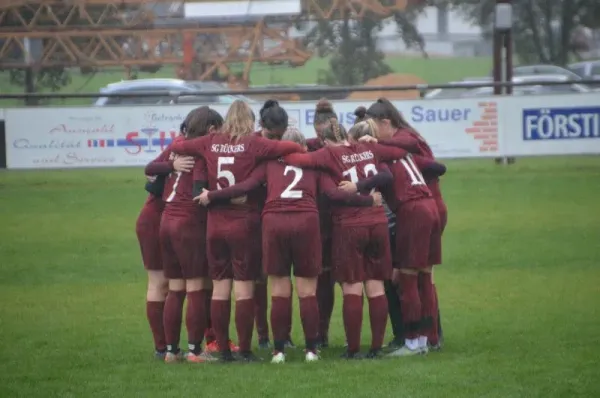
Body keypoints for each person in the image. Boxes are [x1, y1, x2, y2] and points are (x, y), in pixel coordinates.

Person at [197, 126, 382, 363]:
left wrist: (213, 195)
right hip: (306, 222)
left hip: (274, 223)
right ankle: (311, 350)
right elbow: (333, 193)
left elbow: (246, 186)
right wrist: (367, 200)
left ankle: (279, 351)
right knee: (308, 291)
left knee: (279, 291)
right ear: (303, 146)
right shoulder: (314, 164)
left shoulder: (268, 164)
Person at [170, 100, 304, 362]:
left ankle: (221, 349)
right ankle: (244, 349)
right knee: (243, 289)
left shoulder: (209, 141)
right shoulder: (254, 144)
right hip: (243, 224)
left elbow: (178, 146)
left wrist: (177, 149)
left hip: (214, 224)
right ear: (251, 121)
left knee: (220, 289)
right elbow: (290, 146)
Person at [283, 119, 409, 359]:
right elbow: (401, 151)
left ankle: (352, 350)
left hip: (350, 225)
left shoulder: (327, 154)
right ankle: (375, 347)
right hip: (377, 222)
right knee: (376, 285)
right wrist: (378, 141)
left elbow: (299, 162)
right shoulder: (370, 149)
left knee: (352, 286)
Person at [364, 99, 447, 353]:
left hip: (413, 212)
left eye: (372, 130)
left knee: (407, 278)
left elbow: (385, 176)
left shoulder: (390, 146)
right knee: (424, 276)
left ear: (385, 123)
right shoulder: (403, 149)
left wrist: (359, 189)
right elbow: (437, 167)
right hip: (430, 206)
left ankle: (412, 343)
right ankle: (429, 339)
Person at [144, 107, 219, 363]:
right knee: (196, 286)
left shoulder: (178, 145)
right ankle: (195, 351)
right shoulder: (204, 150)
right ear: (210, 130)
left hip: (166, 219)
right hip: (188, 221)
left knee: (176, 288)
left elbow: (150, 167)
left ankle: (170, 351)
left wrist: (170, 164)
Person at [136, 132, 194, 360]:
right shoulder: (180, 144)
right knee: (160, 283)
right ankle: (162, 347)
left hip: (177, 220)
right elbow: (150, 168)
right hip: (155, 219)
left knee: (182, 285)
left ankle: (177, 346)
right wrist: (172, 164)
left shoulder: (200, 145)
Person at [252, 99, 295, 349]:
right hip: (257, 217)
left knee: (283, 278)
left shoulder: (292, 145)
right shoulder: (252, 145)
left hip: (283, 217)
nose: (275, 142)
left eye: (280, 136)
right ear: (262, 127)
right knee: (260, 280)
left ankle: (283, 335)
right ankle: (262, 335)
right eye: (271, 135)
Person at [304, 99, 337, 348]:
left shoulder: (306, 148)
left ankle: (318, 333)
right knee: (325, 280)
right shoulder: (346, 146)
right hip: (330, 220)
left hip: (318, 219)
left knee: (319, 280)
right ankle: (320, 333)